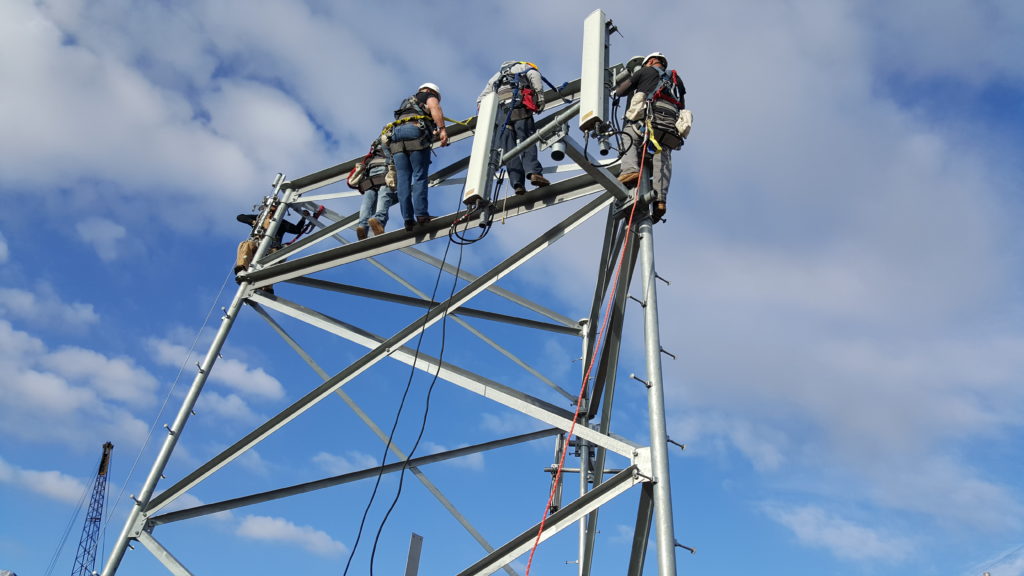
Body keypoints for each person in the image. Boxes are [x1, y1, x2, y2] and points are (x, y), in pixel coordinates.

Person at [614, 52, 689, 222]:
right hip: (670, 124)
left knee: (629, 134)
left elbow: (622, 91)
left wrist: (616, 89)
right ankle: (660, 200)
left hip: (649, 118)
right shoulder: (677, 80)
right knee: (662, 156)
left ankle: (630, 171)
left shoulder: (645, 72)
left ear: (652, 61)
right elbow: (681, 104)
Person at [477, 61, 551, 195]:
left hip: (502, 116)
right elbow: (534, 75)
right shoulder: (524, 67)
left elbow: (480, 101)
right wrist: (540, 97)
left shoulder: (496, 77)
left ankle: (517, 183)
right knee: (527, 139)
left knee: (508, 150)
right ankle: (533, 172)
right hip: (519, 107)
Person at [387, 82, 449, 232]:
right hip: (414, 133)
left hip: (396, 138)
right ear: (430, 91)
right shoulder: (429, 96)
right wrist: (442, 130)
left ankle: (408, 219)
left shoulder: (406, 101)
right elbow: (435, 108)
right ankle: (421, 215)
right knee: (419, 176)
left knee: (403, 180)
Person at [354, 136, 397, 240]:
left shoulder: (377, 141)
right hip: (385, 168)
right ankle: (379, 220)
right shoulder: (394, 136)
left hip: (371, 172)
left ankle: (362, 226)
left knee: (367, 201)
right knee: (384, 194)